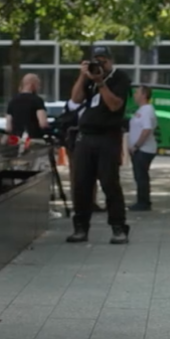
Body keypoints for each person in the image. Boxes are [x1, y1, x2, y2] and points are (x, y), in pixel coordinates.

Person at [66, 45, 131, 244]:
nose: (99, 64)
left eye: (103, 61)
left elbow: (114, 105)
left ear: (111, 61)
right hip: (85, 137)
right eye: (96, 60)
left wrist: (101, 82)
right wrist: (83, 76)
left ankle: (118, 227)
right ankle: (81, 227)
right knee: (81, 184)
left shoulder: (120, 78)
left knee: (109, 183)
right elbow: (75, 99)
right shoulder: (89, 79)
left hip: (108, 137)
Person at [128, 85, 158, 211]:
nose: (135, 95)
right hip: (139, 149)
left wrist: (137, 145)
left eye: (137, 93)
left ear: (144, 95)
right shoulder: (141, 110)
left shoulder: (147, 110)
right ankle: (142, 200)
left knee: (141, 176)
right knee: (139, 175)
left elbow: (146, 130)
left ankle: (143, 202)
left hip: (144, 149)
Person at [5, 73, 48, 140]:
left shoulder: (12, 101)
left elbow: (8, 127)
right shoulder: (37, 100)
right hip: (33, 140)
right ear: (32, 85)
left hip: (16, 140)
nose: (39, 87)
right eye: (38, 85)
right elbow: (43, 123)